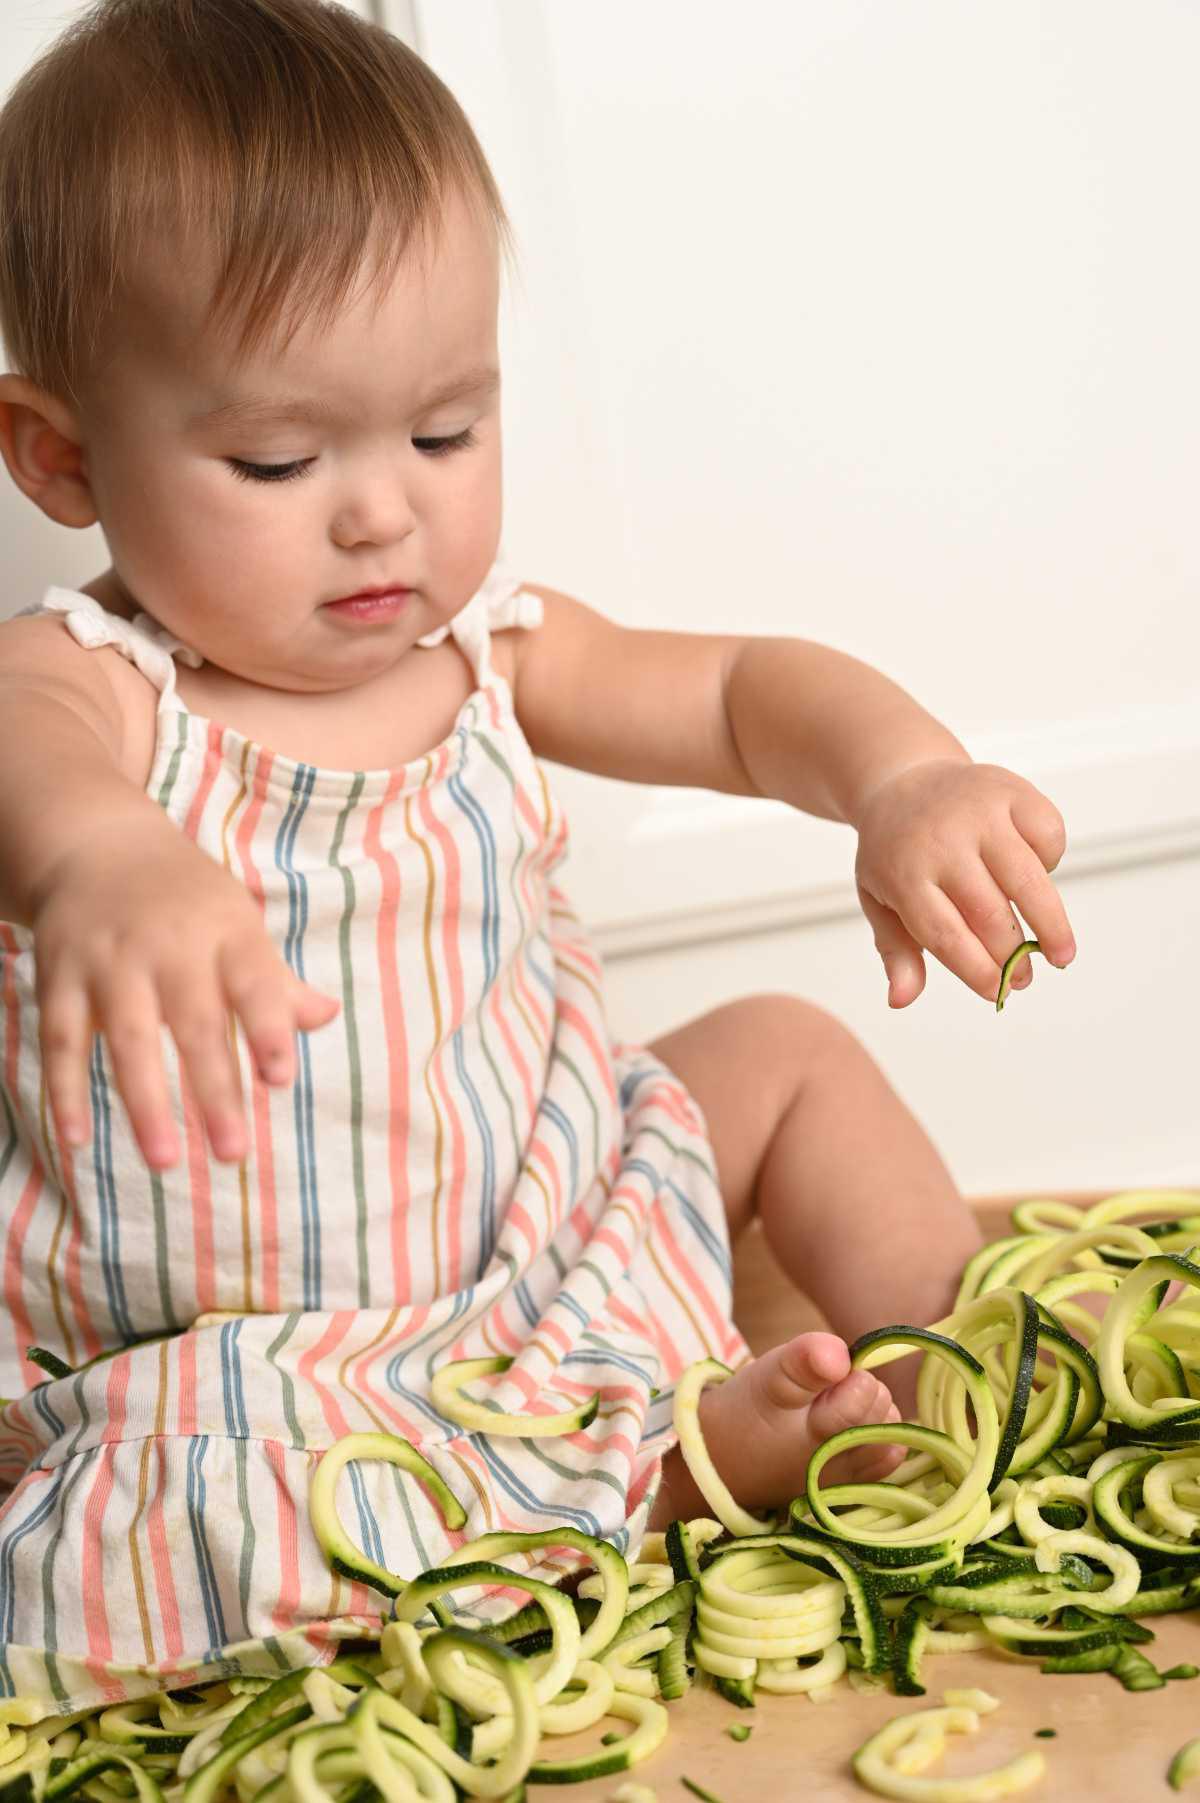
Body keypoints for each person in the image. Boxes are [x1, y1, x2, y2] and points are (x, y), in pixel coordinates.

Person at [0, 0, 1073, 1709]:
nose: (383, 512)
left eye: (445, 430)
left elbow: (734, 691)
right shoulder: (97, 692)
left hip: (548, 1212)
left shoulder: (491, 647)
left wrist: (900, 776)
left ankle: (983, 1395)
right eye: (280, 458)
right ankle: (671, 1463)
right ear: (62, 457)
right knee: (243, 1526)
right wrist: (101, 864)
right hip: (263, 1344)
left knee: (787, 1057)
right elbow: (26, 765)